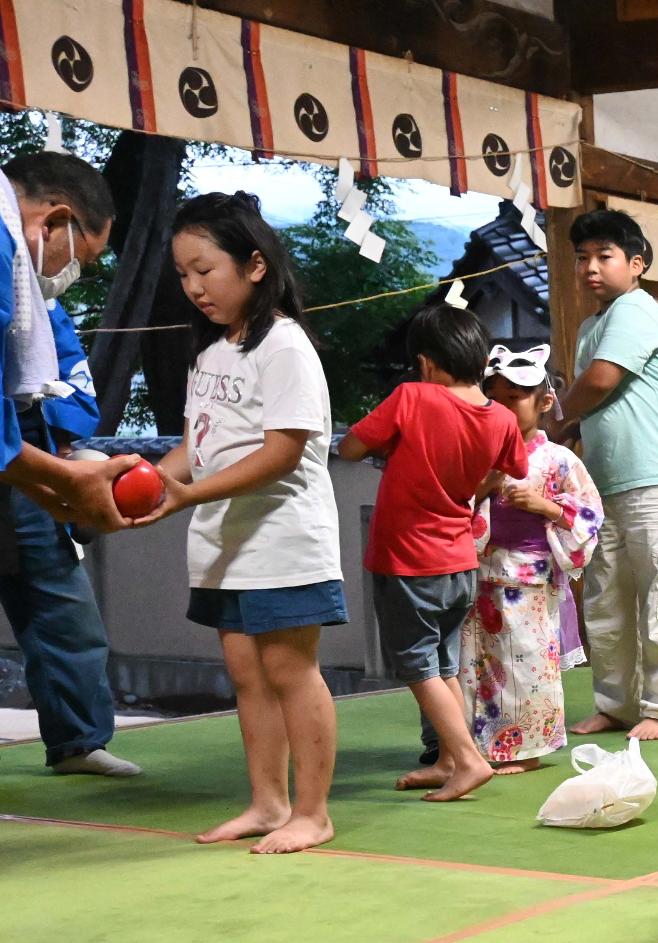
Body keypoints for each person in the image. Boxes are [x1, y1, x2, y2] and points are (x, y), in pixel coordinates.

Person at [143, 193, 345, 854]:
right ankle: (267, 802)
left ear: (254, 265)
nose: (193, 287)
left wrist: (183, 493)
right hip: (225, 543)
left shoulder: (283, 345)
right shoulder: (211, 353)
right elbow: (195, 448)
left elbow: (283, 450)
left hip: (282, 538)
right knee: (248, 675)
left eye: (205, 269)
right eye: (182, 274)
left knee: (290, 670)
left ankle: (312, 812)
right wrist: (141, 480)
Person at [338, 305, 528, 802]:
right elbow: (512, 470)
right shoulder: (502, 417)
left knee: (417, 665)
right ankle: (449, 757)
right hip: (460, 560)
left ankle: (467, 759)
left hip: (408, 559)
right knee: (444, 664)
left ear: (425, 363)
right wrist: (466, 494)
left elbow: (351, 447)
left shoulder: (412, 398)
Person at [557, 209, 658, 742]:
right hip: (604, 483)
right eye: (582, 258)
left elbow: (598, 382)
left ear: (636, 264)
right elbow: (590, 405)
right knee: (605, 600)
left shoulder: (636, 308)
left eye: (604, 256)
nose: (591, 267)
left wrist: (555, 418)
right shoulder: (593, 324)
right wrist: (559, 442)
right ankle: (616, 706)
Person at [3, 293, 142, 777]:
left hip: (31, 453)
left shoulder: (41, 299)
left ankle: (77, 740)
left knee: (62, 607)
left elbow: (70, 378)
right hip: (23, 451)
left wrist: (63, 449)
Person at [1, 151, 140, 630]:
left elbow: (73, 393)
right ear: (57, 220)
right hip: (24, 458)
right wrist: (63, 480)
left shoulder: (34, 299)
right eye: (84, 260)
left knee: (69, 633)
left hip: (23, 461)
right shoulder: (5, 255)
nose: (74, 274)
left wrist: (47, 480)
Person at [459, 345, 602, 773]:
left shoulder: (559, 459)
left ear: (543, 403)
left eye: (515, 398)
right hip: (478, 573)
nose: (504, 407)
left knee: (526, 664)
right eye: (497, 398)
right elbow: (455, 504)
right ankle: (472, 747)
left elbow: (590, 513)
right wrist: (486, 486)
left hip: (528, 580)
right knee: (476, 665)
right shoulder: (476, 452)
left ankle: (526, 748)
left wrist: (547, 507)